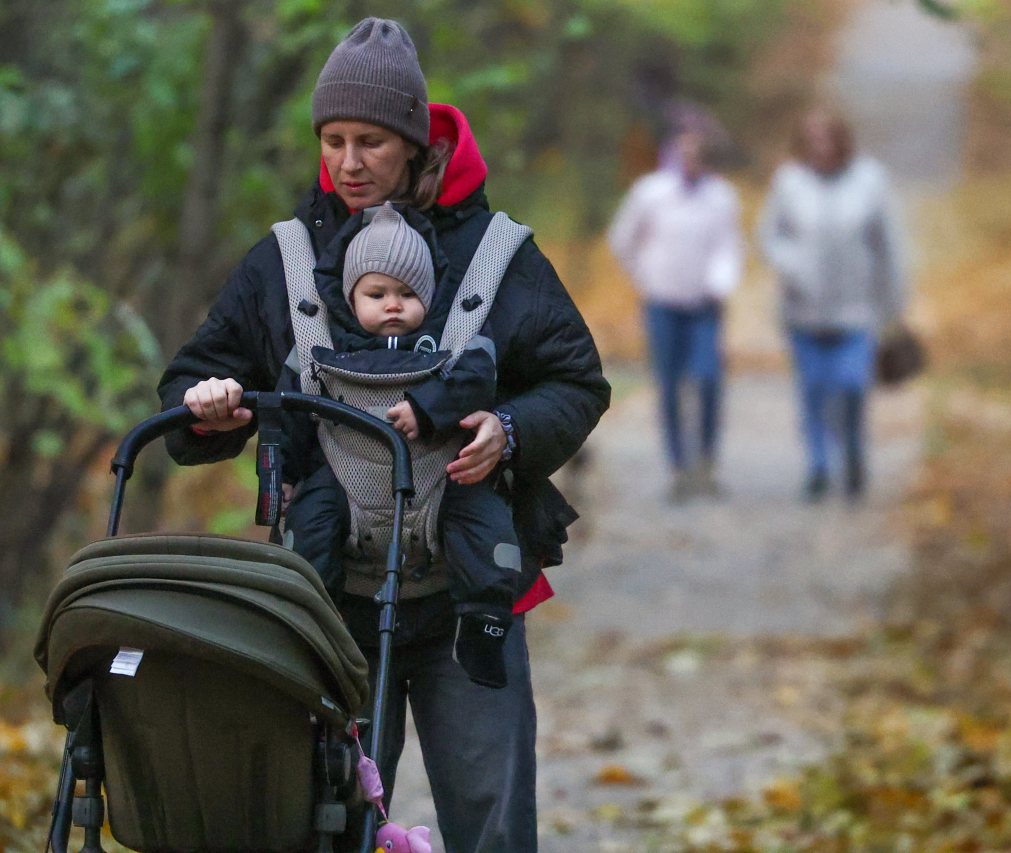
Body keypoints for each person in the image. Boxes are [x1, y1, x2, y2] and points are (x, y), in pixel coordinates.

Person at [157, 17, 609, 852]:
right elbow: (188, 393)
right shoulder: (284, 262)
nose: (349, 162)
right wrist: (209, 403)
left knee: (494, 828)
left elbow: (579, 383)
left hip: (470, 595)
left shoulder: (496, 253)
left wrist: (509, 430)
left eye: (370, 140)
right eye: (332, 139)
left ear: (414, 141)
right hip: (328, 603)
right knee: (326, 825)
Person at [281, 201, 521, 690]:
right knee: (308, 526)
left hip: (436, 467)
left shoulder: (449, 341)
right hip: (345, 466)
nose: (393, 304)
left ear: (429, 299)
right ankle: (314, 625)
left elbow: (478, 377)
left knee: (485, 523)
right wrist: (285, 471)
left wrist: (429, 406)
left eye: (408, 293)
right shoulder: (326, 346)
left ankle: (485, 623)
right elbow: (293, 404)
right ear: (350, 298)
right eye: (377, 293)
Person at [757, 107, 908, 503]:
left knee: (853, 386)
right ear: (802, 145)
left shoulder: (870, 180)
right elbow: (768, 236)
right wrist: (791, 265)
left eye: (827, 139)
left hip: (857, 309)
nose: (820, 147)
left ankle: (854, 454)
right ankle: (819, 466)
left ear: (842, 141)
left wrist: (895, 302)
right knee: (813, 392)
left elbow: (888, 245)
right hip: (803, 311)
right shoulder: (788, 182)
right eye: (812, 140)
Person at [607, 130, 743, 501]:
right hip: (662, 302)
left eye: (698, 153)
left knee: (708, 378)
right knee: (668, 384)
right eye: (684, 153)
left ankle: (707, 460)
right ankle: (678, 466)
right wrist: (644, 276)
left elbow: (728, 246)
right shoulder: (650, 193)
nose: (691, 160)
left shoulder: (720, 196)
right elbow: (623, 239)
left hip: (704, 305)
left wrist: (721, 281)